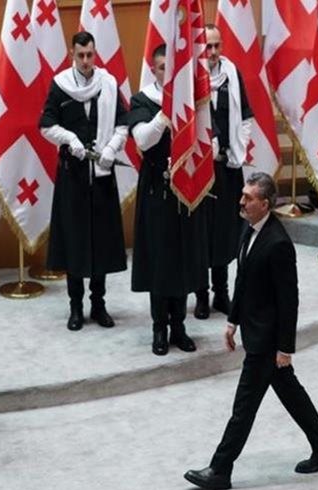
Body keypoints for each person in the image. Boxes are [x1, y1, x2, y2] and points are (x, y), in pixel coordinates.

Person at [184, 172, 318, 490]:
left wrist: (285, 348)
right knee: (290, 392)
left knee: (242, 409)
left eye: (248, 198)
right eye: (242, 195)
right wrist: (232, 322)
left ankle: (220, 469)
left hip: (267, 342)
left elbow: (289, 301)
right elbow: (242, 282)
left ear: (265, 204)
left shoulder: (279, 244)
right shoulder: (250, 229)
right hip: (253, 330)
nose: (241, 201)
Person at [39, 31, 128, 331]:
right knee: (75, 241)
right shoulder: (61, 85)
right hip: (73, 177)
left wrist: (112, 148)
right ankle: (75, 306)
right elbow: (46, 124)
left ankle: (99, 304)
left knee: (101, 241)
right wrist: (69, 139)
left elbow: (123, 123)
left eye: (90, 55)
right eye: (81, 55)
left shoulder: (109, 84)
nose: (87, 61)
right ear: (72, 54)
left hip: (102, 174)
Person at [128, 44, 209, 356]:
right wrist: (165, 115)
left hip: (185, 190)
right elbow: (143, 140)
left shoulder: (190, 101)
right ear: (153, 69)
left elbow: (205, 135)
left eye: (172, 68)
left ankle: (179, 325)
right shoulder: (142, 100)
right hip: (157, 192)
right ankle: (159, 326)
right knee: (161, 263)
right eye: (163, 68)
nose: (168, 73)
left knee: (183, 259)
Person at [193, 24, 254, 320]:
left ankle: (221, 292)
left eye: (217, 46)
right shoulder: (191, 77)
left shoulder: (232, 73)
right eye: (208, 47)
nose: (214, 53)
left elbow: (245, 115)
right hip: (201, 170)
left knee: (226, 231)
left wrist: (238, 152)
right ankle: (201, 295)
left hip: (228, 167)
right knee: (201, 232)